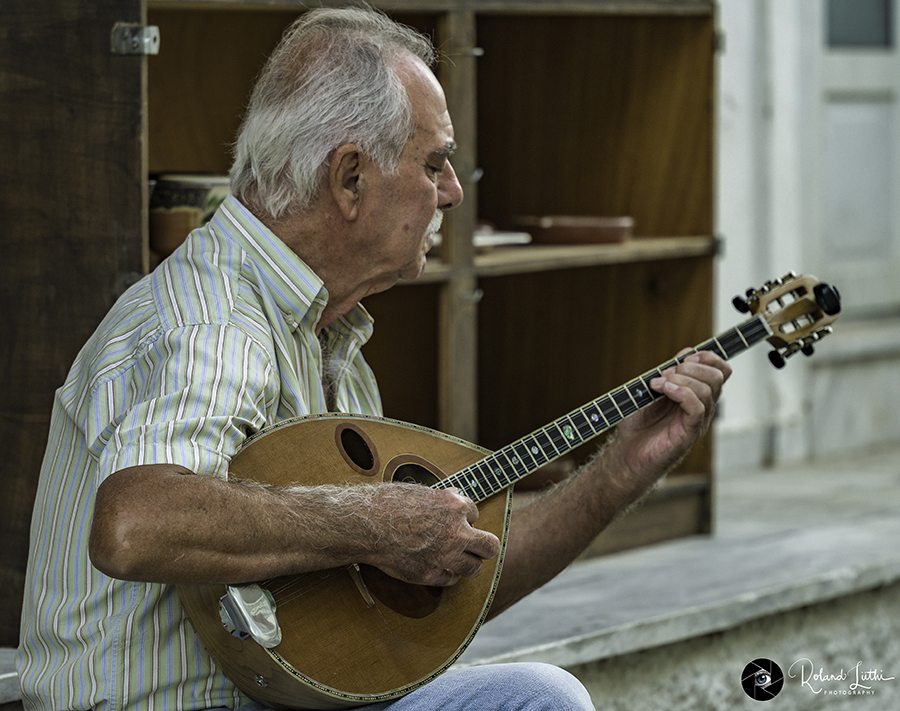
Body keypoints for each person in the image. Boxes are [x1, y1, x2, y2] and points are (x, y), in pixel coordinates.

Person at [17, 5, 731, 711]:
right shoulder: (212, 323)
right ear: (351, 178)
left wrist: (617, 473)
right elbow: (136, 521)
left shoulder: (334, 340)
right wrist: (374, 522)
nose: (451, 191)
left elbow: (432, 599)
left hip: (294, 700)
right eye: (435, 162)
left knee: (534, 697)